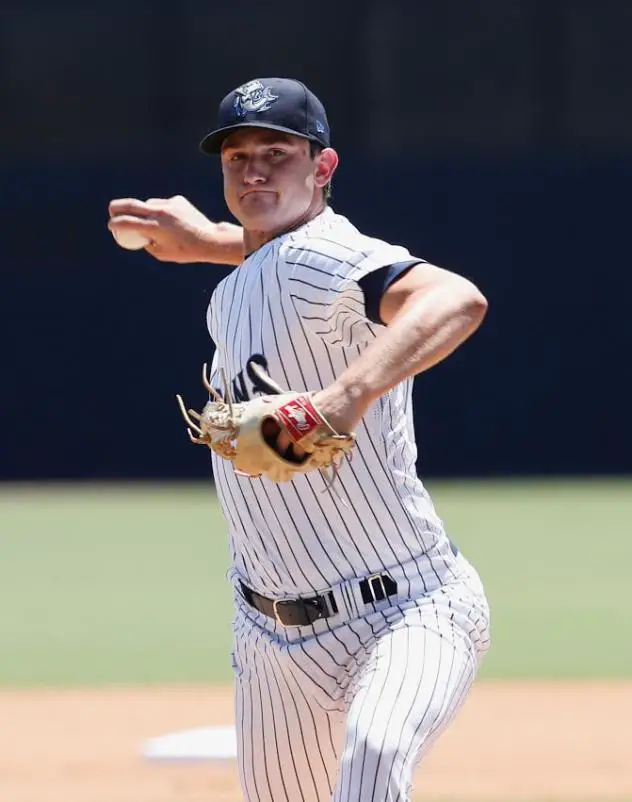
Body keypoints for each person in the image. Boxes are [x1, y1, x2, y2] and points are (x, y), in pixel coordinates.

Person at [108, 77, 491, 802]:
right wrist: (213, 243)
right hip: (268, 640)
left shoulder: (324, 255)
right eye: (237, 156)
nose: (253, 170)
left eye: (277, 154)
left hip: (405, 611)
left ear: (323, 167)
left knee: (374, 762)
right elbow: (278, 263)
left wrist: (344, 399)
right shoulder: (247, 280)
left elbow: (454, 299)